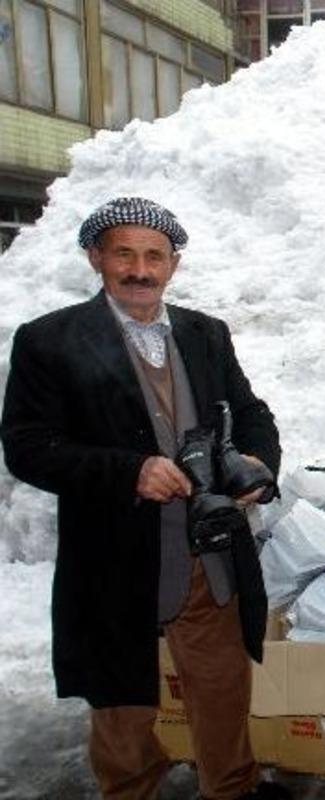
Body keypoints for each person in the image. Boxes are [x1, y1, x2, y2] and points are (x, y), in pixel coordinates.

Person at [0, 198, 288, 800]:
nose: (140, 269)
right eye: (124, 253)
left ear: (173, 265)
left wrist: (258, 464)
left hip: (208, 554)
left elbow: (251, 412)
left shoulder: (205, 334)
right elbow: (28, 447)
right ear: (95, 258)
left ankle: (231, 787)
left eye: (154, 255)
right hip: (114, 560)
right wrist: (129, 471)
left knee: (222, 687)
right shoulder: (49, 342)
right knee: (123, 709)